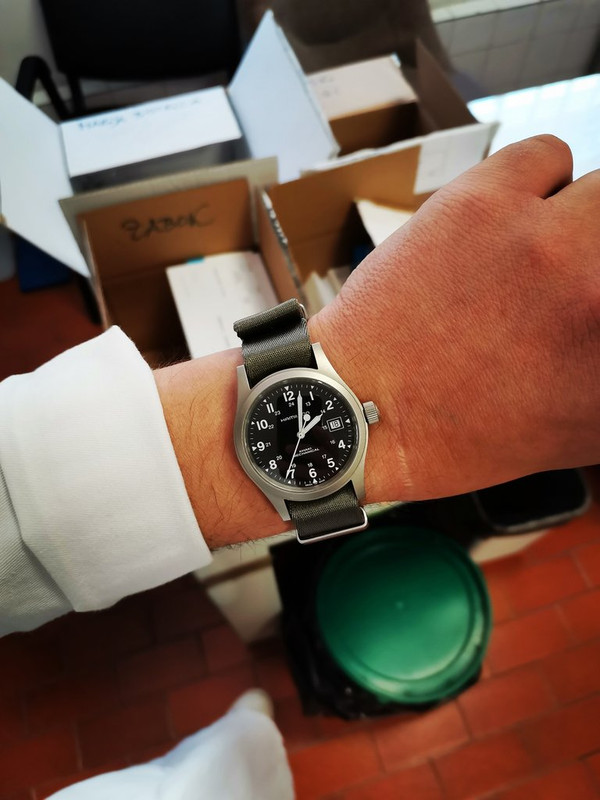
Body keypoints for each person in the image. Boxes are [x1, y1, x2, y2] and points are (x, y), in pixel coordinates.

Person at [0, 133, 598, 799]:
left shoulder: (334, 423)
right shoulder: (318, 418)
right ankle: (249, 722)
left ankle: (247, 723)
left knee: (243, 744)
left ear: (361, 414)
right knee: (244, 743)